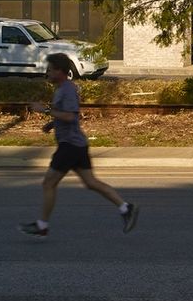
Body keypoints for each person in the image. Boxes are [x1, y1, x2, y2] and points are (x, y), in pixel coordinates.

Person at [18, 54, 138, 237]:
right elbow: (65, 115)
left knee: (48, 183)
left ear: (59, 71)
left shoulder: (66, 89)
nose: (47, 72)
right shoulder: (62, 88)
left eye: (50, 69)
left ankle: (42, 225)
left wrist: (46, 110)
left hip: (70, 146)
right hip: (76, 144)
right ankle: (125, 207)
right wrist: (52, 124)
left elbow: (71, 116)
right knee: (91, 183)